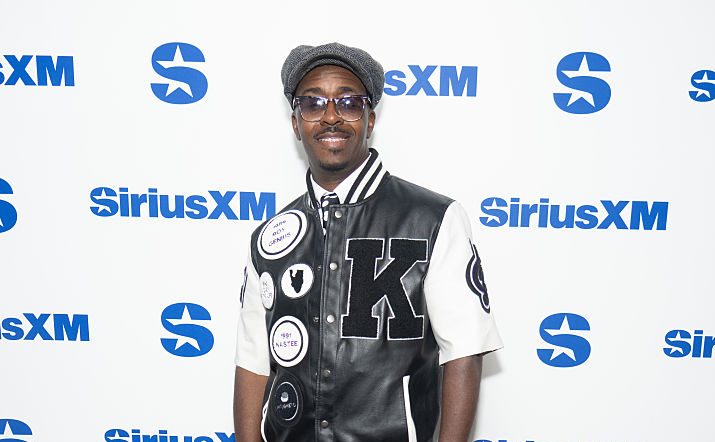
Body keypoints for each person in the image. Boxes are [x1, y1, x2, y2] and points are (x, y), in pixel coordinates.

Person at [233, 42, 502, 442]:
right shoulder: (270, 239)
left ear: (370, 119)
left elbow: (464, 352)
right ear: (296, 123)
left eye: (348, 102)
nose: (330, 116)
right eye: (312, 103)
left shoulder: (432, 219)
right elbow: (252, 361)